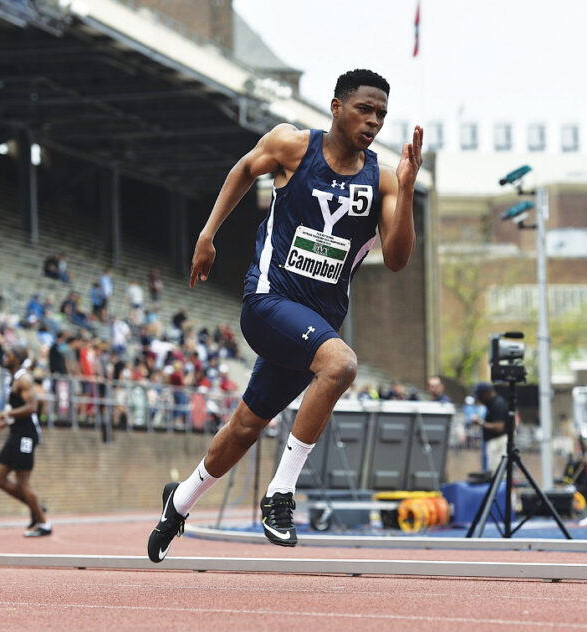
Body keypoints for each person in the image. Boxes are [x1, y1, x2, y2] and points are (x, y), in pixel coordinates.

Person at [147, 69, 422, 562]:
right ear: (337, 107)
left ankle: (179, 502)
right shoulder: (292, 146)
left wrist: (406, 188)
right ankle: (281, 494)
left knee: (244, 428)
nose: (374, 121)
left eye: (381, 114)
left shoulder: (381, 178)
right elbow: (242, 170)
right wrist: (208, 235)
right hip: (268, 302)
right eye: (364, 109)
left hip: (316, 323)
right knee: (341, 365)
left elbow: (399, 259)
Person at [0, 345, 51, 537]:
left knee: (22, 481)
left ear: (17, 359)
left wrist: (4, 414)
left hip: (26, 435)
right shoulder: (14, 379)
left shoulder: (23, 379)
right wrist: (5, 423)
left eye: (8, 354)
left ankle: (44, 523)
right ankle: (35, 506)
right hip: (16, 433)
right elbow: (19, 410)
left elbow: (32, 407)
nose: (4, 356)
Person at [472, 382, 509, 472]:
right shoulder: (491, 404)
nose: (479, 399)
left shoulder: (498, 404)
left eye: (480, 396)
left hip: (499, 442)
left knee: (497, 472)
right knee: (493, 471)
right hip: (495, 442)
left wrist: (480, 422)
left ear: (486, 393)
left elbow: (499, 427)